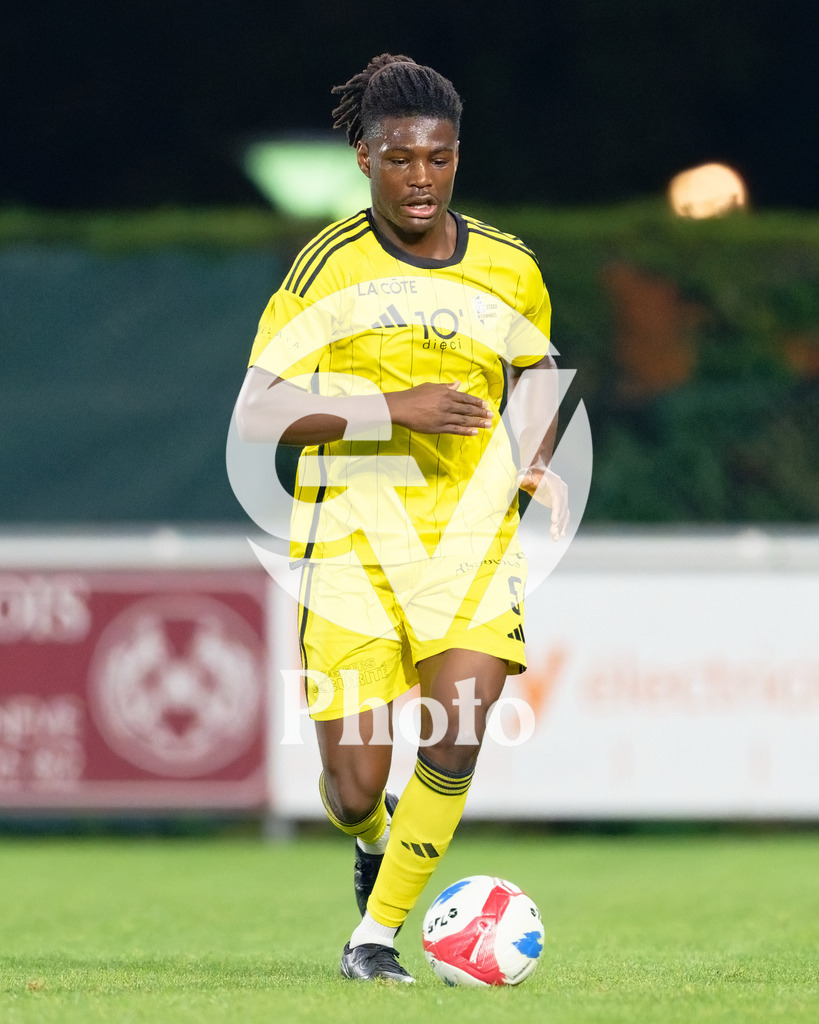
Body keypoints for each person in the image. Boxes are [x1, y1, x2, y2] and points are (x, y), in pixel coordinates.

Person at [234, 53, 568, 983]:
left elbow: (536, 370)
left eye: (438, 158)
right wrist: (392, 411)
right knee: (352, 787)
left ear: (457, 156)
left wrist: (534, 460)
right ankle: (371, 837)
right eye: (399, 159)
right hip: (348, 542)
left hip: (465, 537)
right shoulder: (329, 264)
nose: (420, 178)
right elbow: (258, 412)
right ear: (362, 158)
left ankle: (373, 938)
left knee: (461, 720)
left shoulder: (509, 266)